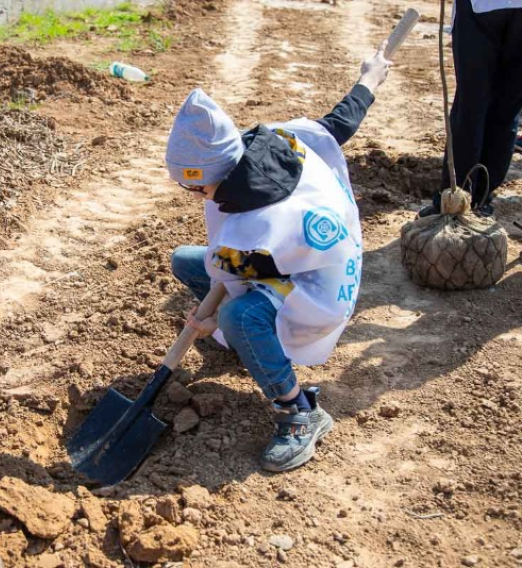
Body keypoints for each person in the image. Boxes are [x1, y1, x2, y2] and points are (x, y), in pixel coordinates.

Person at [165, 45, 391, 472]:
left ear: (208, 180)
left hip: (314, 285)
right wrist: (369, 79)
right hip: (278, 263)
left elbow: (256, 268)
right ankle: (249, 341)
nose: (194, 198)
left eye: (192, 189)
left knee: (240, 318)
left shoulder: (268, 218)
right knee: (186, 260)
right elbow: (336, 125)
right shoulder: (268, 148)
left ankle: (300, 411)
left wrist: (220, 318)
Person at [420, 0, 522, 217]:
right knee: (507, 107)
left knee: (471, 105)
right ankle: (482, 198)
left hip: (481, 9)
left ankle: (456, 199)